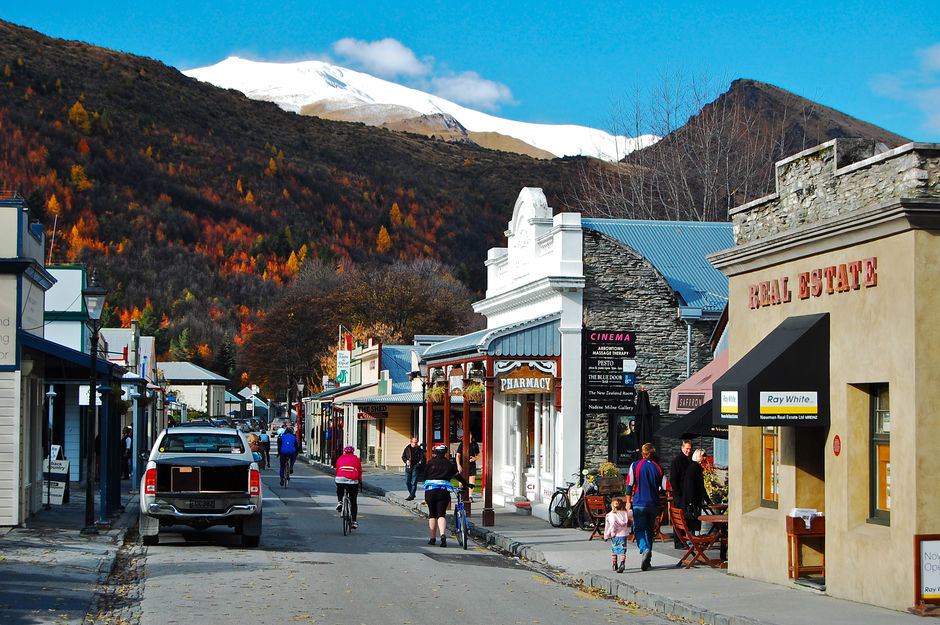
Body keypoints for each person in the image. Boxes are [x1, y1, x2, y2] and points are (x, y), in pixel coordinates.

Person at [626, 442, 667, 571]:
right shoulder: (658, 468)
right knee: (649, 530)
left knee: (638, 529)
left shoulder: (635, 466)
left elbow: (629, 484)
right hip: (653, 503)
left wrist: (628, 502)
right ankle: (648, 559)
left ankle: (644, 549)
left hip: (639, 502)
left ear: (643, 453)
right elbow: (665, 487)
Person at [423, 443, 468, 547]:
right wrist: (465, 484)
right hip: (443, 491)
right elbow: (458, 476)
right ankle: (443, 535)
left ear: (435, 452)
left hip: (430, 491)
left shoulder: (430, 463)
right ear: (445, 452)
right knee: (441, 514)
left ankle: (433, 538)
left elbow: (424, 476)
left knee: (432, 514)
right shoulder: (449, 464)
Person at [669, 440, 693, 548]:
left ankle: (685, 540)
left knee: (686, 519)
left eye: (690, 449)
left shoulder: (690, 460)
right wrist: (677, 495)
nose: (688, 451)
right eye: (687, 448)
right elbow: (673, 480)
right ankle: (679, 541)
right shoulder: (677, 461)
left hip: (687, 495)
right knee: (680, 519)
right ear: (682, 448)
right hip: (680, 495)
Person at [682, 448, 710, 535]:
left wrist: (707, 500)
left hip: (693, 501)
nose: (705, 458)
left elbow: (701, 487)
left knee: (692, 523)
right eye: (703, 455)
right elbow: (691, 486)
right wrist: (691, 502)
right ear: (698, 456)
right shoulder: (694, 469)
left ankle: (692, 542)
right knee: (692, 522)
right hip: (692, 502)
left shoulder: (694, 468)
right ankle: (691, 543)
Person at [334, 446, 362, 529]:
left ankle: (340, 502)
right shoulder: (356, 459)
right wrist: (360, 480)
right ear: (353, 452)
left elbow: (337, 469)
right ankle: (354, 521)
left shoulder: (340, 458)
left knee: (340, 488)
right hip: (353, 479)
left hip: (340, 477)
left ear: (344, 452)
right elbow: (359, 471)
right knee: (353, 500)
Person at [604, 497, 634, 573]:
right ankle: (622, 563)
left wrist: (609, 534)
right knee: (623, 550)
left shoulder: (611, 515)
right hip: (623, 535)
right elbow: (631, 513)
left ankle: (614, 563)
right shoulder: (625, 513)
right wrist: (629, 507)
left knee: (614, 549)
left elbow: (611, 525)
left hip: (615, 535)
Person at [455, 434, 480, 500]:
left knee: (472, 480)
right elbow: (458, 455)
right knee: (461, 481)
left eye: (470, 436)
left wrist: (475, 458)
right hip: (463, 464)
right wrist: (458, 465)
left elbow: (478, 454)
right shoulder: (461, 445)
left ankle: (470, 496)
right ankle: (461, 494)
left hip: (471, 464)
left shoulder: (475, 444)